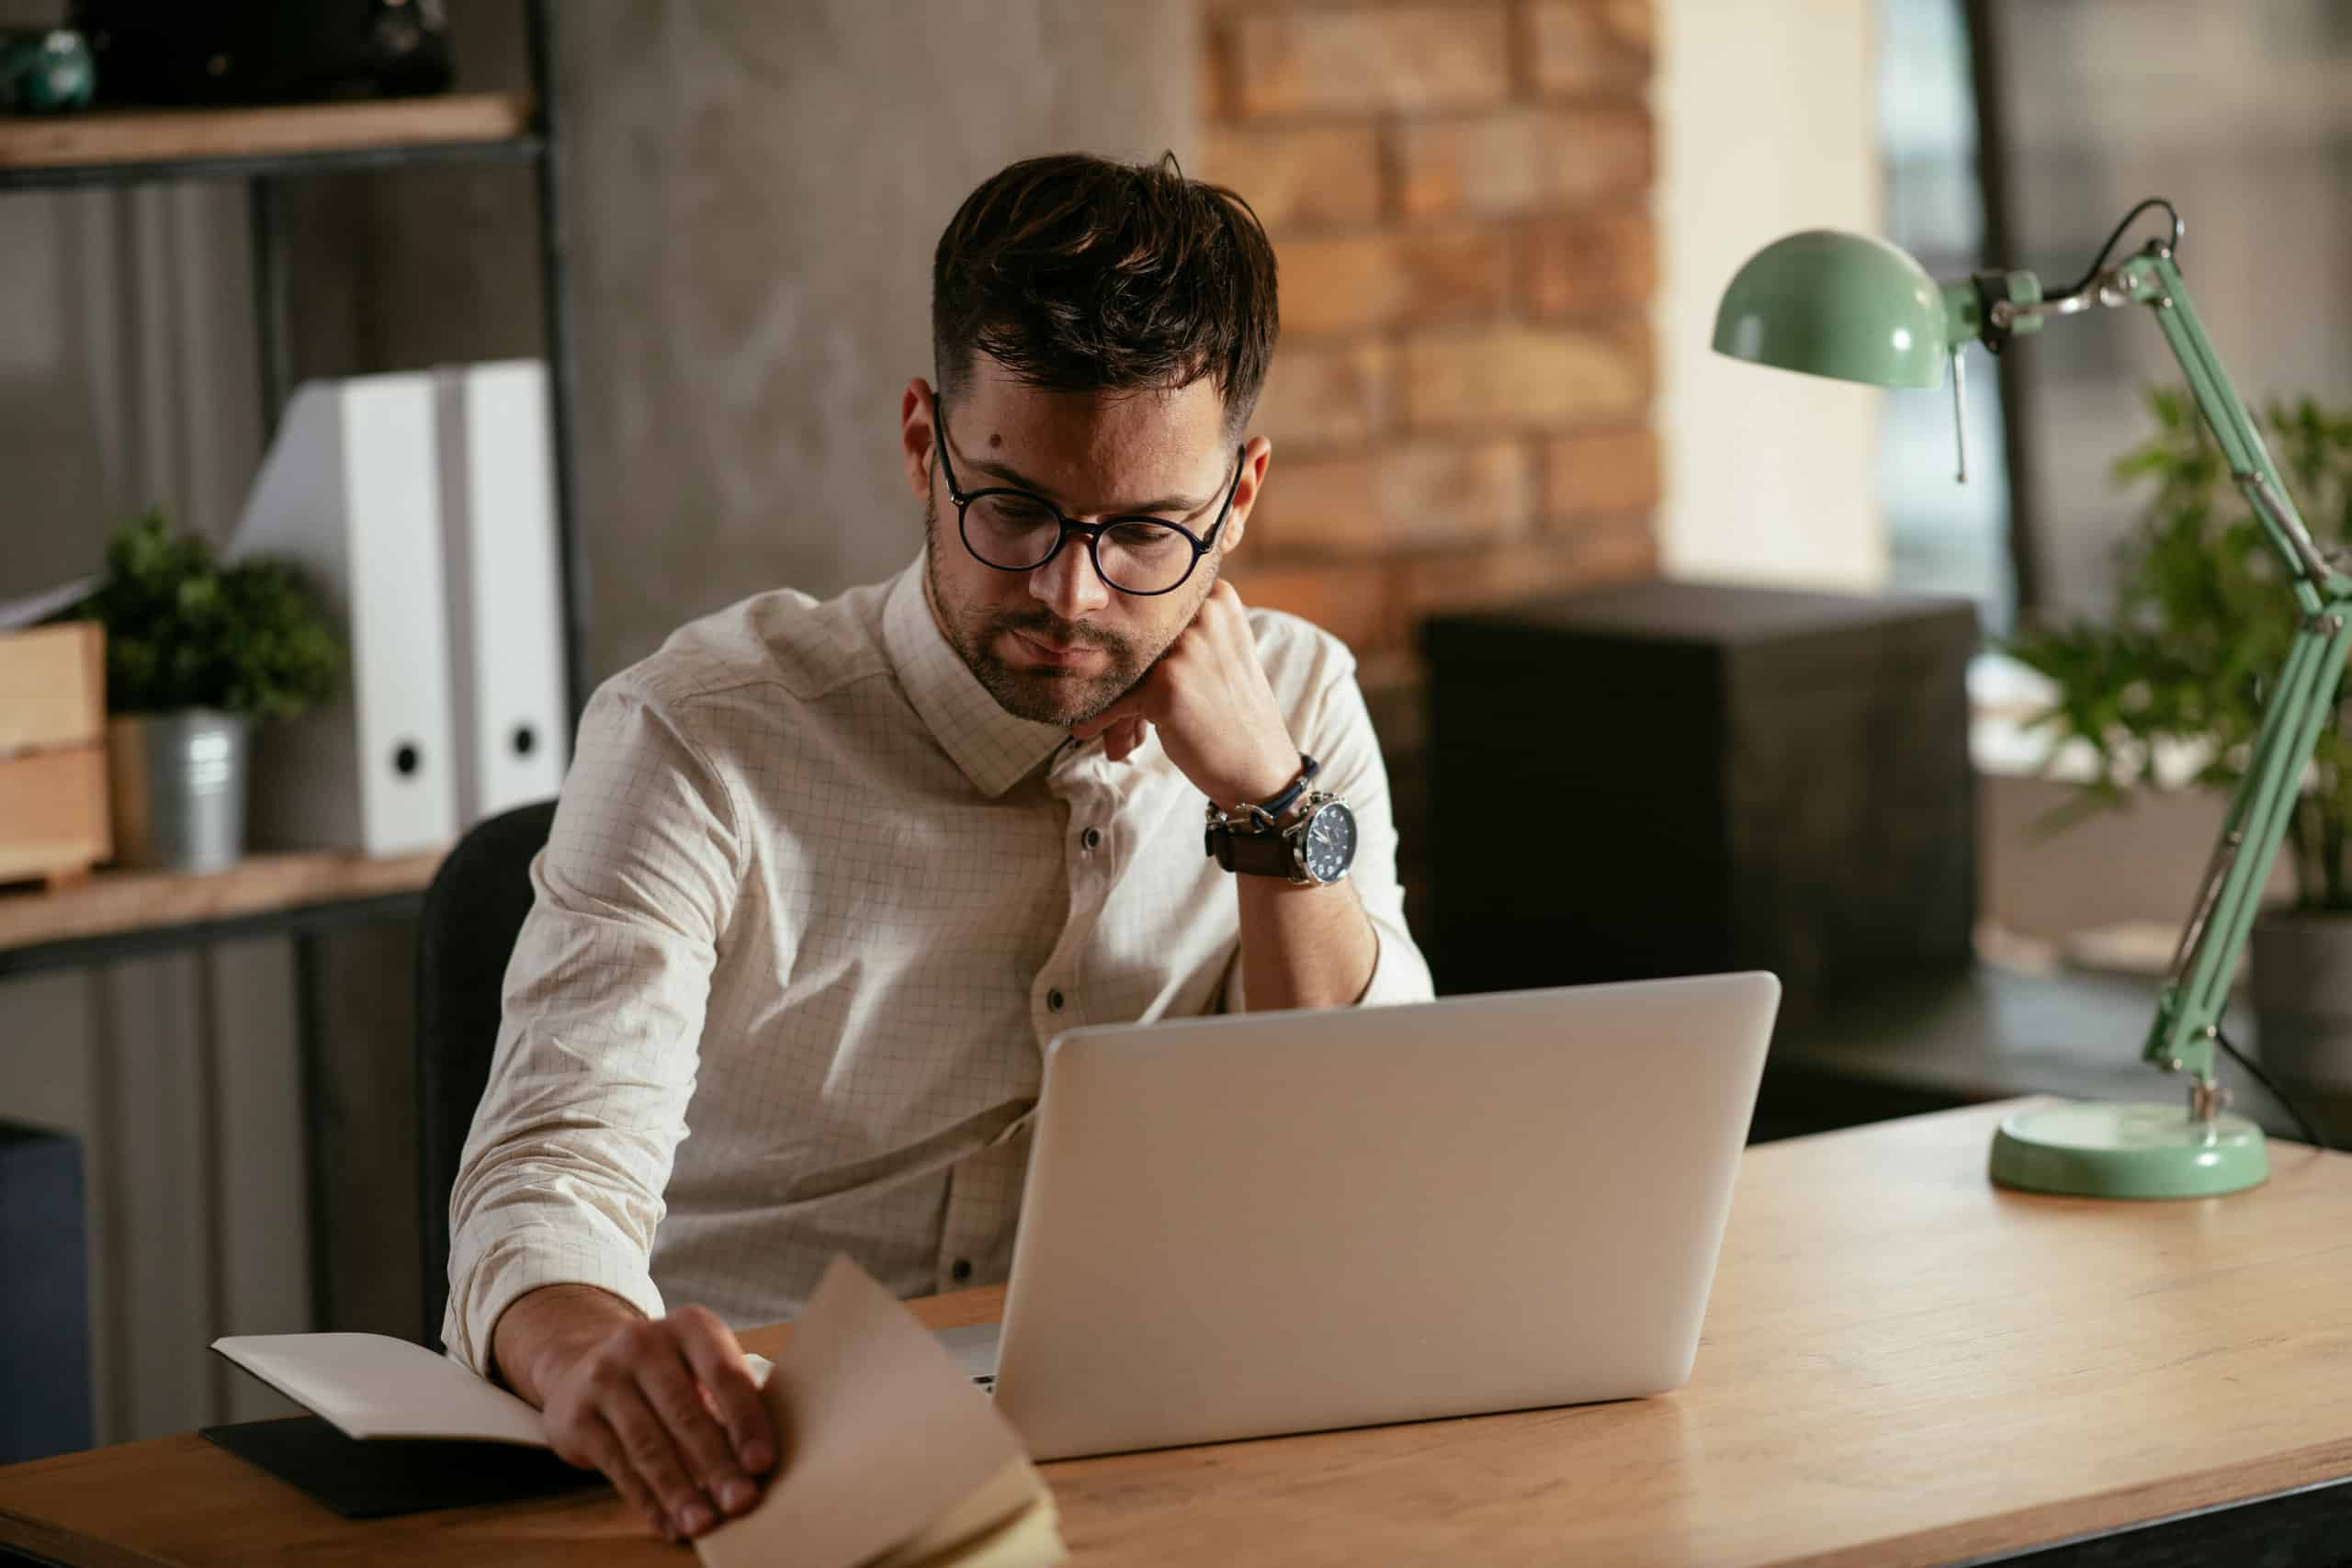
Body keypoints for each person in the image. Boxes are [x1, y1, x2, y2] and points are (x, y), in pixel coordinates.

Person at [442, 150, 1434, 1540]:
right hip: (743, 1478)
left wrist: (1271, 808)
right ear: (924, 441)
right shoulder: (696, 735)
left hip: (1149, 1465)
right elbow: (548, 1174)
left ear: (1241, 494)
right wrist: (592, 1352)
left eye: (1146, 531)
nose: (1068, 592)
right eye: (1015, 508)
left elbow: (1364, 1162)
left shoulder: (1301, 705)